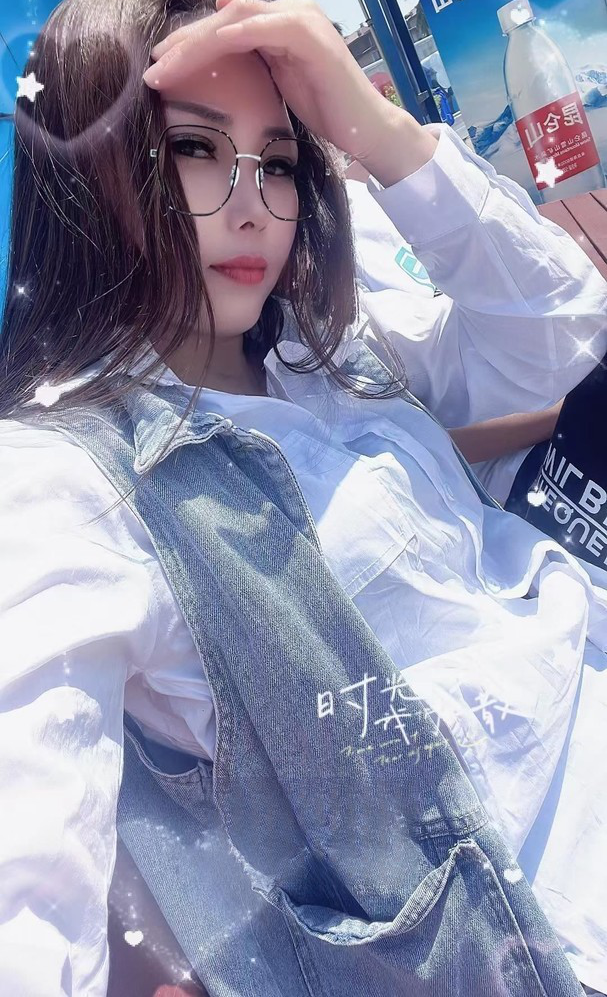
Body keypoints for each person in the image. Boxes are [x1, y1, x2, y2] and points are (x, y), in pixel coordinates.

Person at [1, 1, 607, 996]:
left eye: (277, 161)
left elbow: (557, 337)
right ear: (84, 171)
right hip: (548, 926)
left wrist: (374, 129)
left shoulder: (321, 347)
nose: (252, 205)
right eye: (194, 149)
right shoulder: (66, 485)